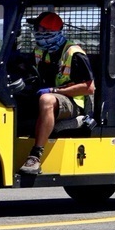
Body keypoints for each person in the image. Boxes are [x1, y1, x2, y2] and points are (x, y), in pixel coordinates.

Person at [20, 11, 95, 175]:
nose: (36, 34)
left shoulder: (74, 53)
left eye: (39, 30)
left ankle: (35, 156)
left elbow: (89, 88)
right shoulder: (40, 51)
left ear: (49, 32)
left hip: (73, 103)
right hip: (48, 97)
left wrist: (55, 90)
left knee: (47, 100)